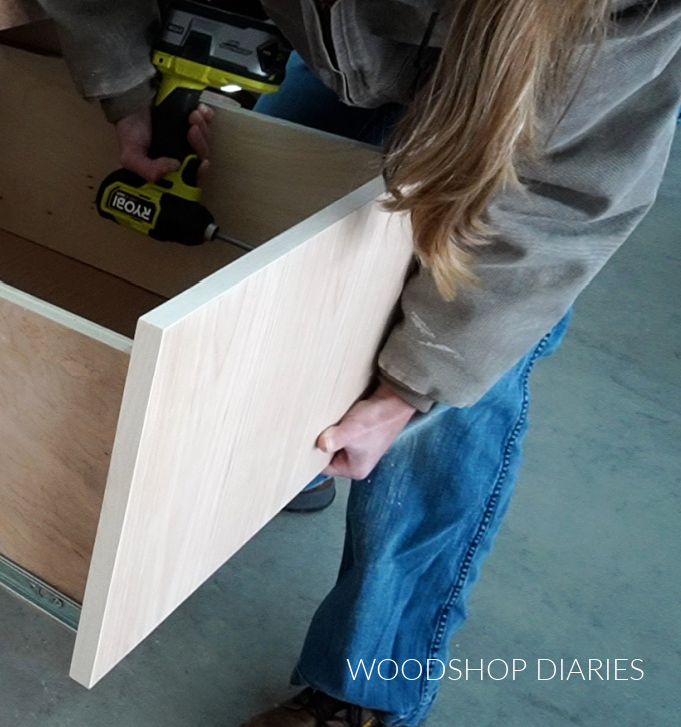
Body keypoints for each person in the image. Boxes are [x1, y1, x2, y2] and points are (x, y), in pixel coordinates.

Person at [35, 1, 681, 725]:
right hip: (330, 36)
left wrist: (412, 387)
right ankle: (292, 464)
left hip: (536, 73)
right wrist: (128, 89)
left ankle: (364, 688)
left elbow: (559, 197)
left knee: (454, 402)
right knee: (289, 258)